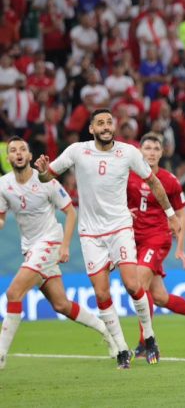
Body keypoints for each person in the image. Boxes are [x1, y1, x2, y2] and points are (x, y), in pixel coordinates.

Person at [34, 109, 182, 369]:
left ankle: (149, 337)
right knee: (102, 293)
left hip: (120, 229)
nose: (105, 126)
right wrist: (43, 171)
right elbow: (48, 176)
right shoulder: (77, 151)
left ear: (113, 127)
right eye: (100, 123)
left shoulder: (128, 153)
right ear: (91, 129)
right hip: (90, 234)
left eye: (109, 122)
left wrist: (170, 214)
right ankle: (122, 349)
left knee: (133, 285)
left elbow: (155, 182)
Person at [0, 137, 118, 369]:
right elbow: (2, 219)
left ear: (30, 155)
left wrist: (64, 246)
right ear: (8, 158)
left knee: (14, 293)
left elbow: (70, 212)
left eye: (23, 149)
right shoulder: (3, 185)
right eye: (13, 151)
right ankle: (106, 330)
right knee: (61, 304)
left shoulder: (46, 181)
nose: (18, 153)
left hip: (50, 242)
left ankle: (1, 354)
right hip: (30, 249)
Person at [127, 133, 185, 357]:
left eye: (155, 149)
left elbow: (181, 215)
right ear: (140, 151)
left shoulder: (169, 181)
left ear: (162, 153)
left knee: (139, 283)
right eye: (147, 148)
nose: (151, 152)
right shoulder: (129, 177)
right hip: (133, 240)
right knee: (159, 296)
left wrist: (180, 247)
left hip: (157, 238)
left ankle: (145, 341)